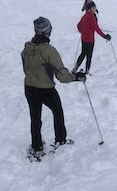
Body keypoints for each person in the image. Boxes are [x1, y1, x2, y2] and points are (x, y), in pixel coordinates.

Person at [21, 17, 86, 155]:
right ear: (47, 31)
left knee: (35, 118)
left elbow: (25, 67)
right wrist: (76, 77)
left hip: (29, 88)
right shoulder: (49, 51)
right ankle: (60, 139)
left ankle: (37, 146)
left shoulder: (26, 48)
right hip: (45, 89)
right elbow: (62, 77)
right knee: (57, 112)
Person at [74, 1, 110, 73]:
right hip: (90, 40)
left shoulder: (85, 16)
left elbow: (78, 26)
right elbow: (96, 28)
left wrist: (82, 31)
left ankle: (75, 68)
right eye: (94, 7)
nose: (95, 9)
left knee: (83, 53)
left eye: (95, 7)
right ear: (90, 9)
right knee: (89, 55)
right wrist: (105, 36)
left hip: (83, 39)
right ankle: (87, 71)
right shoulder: (91, 17)